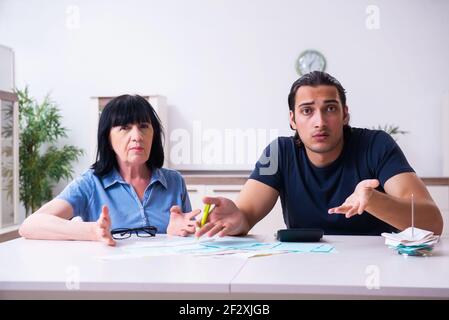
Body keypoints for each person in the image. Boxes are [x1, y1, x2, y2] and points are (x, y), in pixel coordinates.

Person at [196, 71, 443, 237]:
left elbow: (431, 222)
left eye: (330, 109)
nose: (320, 121)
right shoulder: (280, 153)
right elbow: (246, 215)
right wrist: (235, 218)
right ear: (292, 119)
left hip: (374, 273)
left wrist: (374, 200)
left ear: (345, 114)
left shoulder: (376, 145)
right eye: (307, 111)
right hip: (305, 271)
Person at [19, 94, 199, 246]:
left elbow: (189, 242)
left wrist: (180, 233)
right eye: (125, 128)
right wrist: (92, 231)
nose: (137, 136)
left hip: (164, 279)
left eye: (144, 126)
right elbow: (30, 225)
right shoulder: (90, 183)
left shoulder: (174, 181)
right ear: (108, 138)